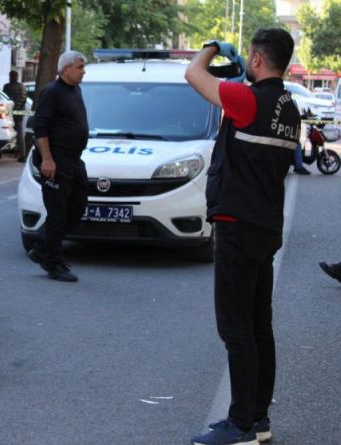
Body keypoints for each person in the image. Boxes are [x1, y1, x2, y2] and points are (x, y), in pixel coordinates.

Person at [185, 28, 300, 445]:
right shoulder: (289, 106)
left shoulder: (247, 99)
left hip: (237, 224)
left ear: (256, 59)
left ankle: (240, 425)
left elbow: (192, 74)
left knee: (236, 328)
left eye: (249, 56)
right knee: (258, 326)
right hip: (265, 224)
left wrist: (210, 47)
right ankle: (258, 417)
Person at [26, 51, 89, 282]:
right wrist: (48, 159)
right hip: (56, 160)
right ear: (66, 69)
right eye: (80, 67)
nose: (84, 71)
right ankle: (53, 262)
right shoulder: (51, 92)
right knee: (58, 214)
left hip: (74, 160)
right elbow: (40, 128)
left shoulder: (75, 90)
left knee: (77, 206)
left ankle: (42, 247)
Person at [3, 70, 28, 162]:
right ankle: (22, 155)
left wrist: (11, 111)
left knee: (6, 132)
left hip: (10, 114)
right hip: (18, 114)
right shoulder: (22, 87)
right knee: (20, 135)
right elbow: (23, 100)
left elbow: (5, 99)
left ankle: (1, 151)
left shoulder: (7, 86)